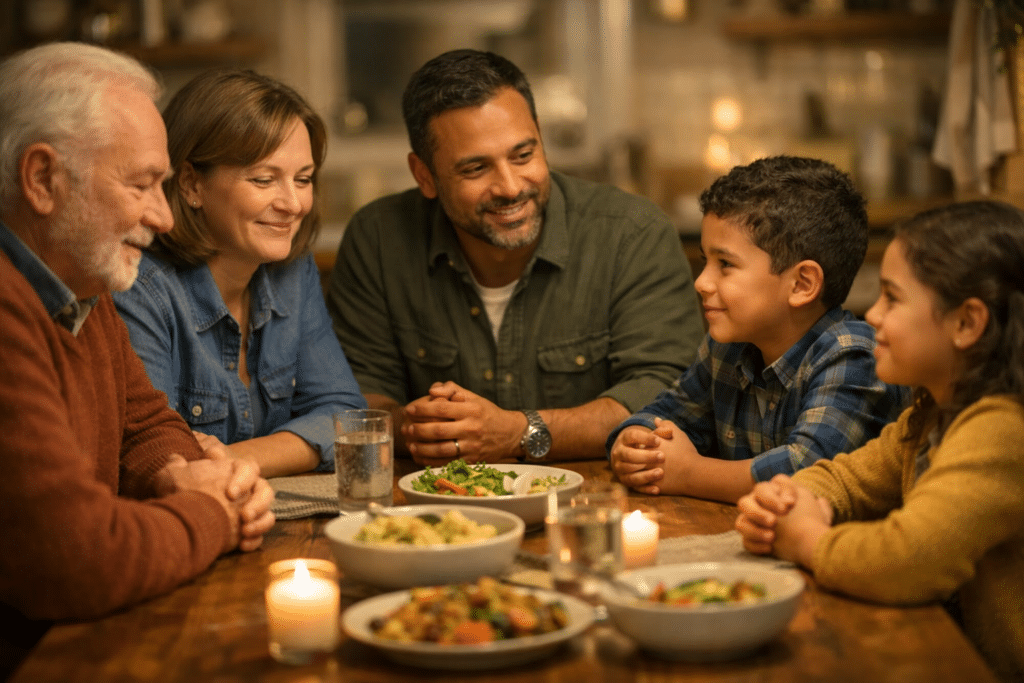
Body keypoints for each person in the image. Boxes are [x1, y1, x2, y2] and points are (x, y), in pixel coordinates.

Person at [0, 42, 274, 671]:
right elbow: (75, 560)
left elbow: (144, 426)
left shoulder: (81, 287)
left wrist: (177, 473)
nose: (163, 216)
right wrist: (212, 512)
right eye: (142, 184)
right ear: (42, 179)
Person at [326, 49, 704, 465]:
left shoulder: (633, 232)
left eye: (523, 155)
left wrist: (520, 432)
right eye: (475, 169)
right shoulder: (378, 238)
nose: (510, 187)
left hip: (595, 503)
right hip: (433, 507)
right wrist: (420, 428)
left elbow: (666, 397)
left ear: (540, 136)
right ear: (424, 176)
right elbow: (359, 397)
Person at [735, 200, 1024, 683]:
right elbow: (849, 476)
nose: (872, 314)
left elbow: (909, 558)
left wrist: (809, 539)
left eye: (892, 297)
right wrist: (790, 500)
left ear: (966, 323)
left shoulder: (1002, 429)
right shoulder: (932, 414)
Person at [607, 156, 908, 503]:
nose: (702, 283)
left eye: (726, 265)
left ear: (801, 284)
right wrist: (633, 443)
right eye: (706, 262)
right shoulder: (729, 346)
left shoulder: (853, 354)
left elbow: (805, 472)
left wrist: (688, 474)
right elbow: (667, 412)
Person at [113, 69, 367, 478]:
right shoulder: (138, 288)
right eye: (264, 180)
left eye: (303, 180)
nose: (293, 204)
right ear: (192, 185)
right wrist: (288, 449)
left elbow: (347, 416)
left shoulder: (292, 269)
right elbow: (155, 458)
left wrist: (235, 459)